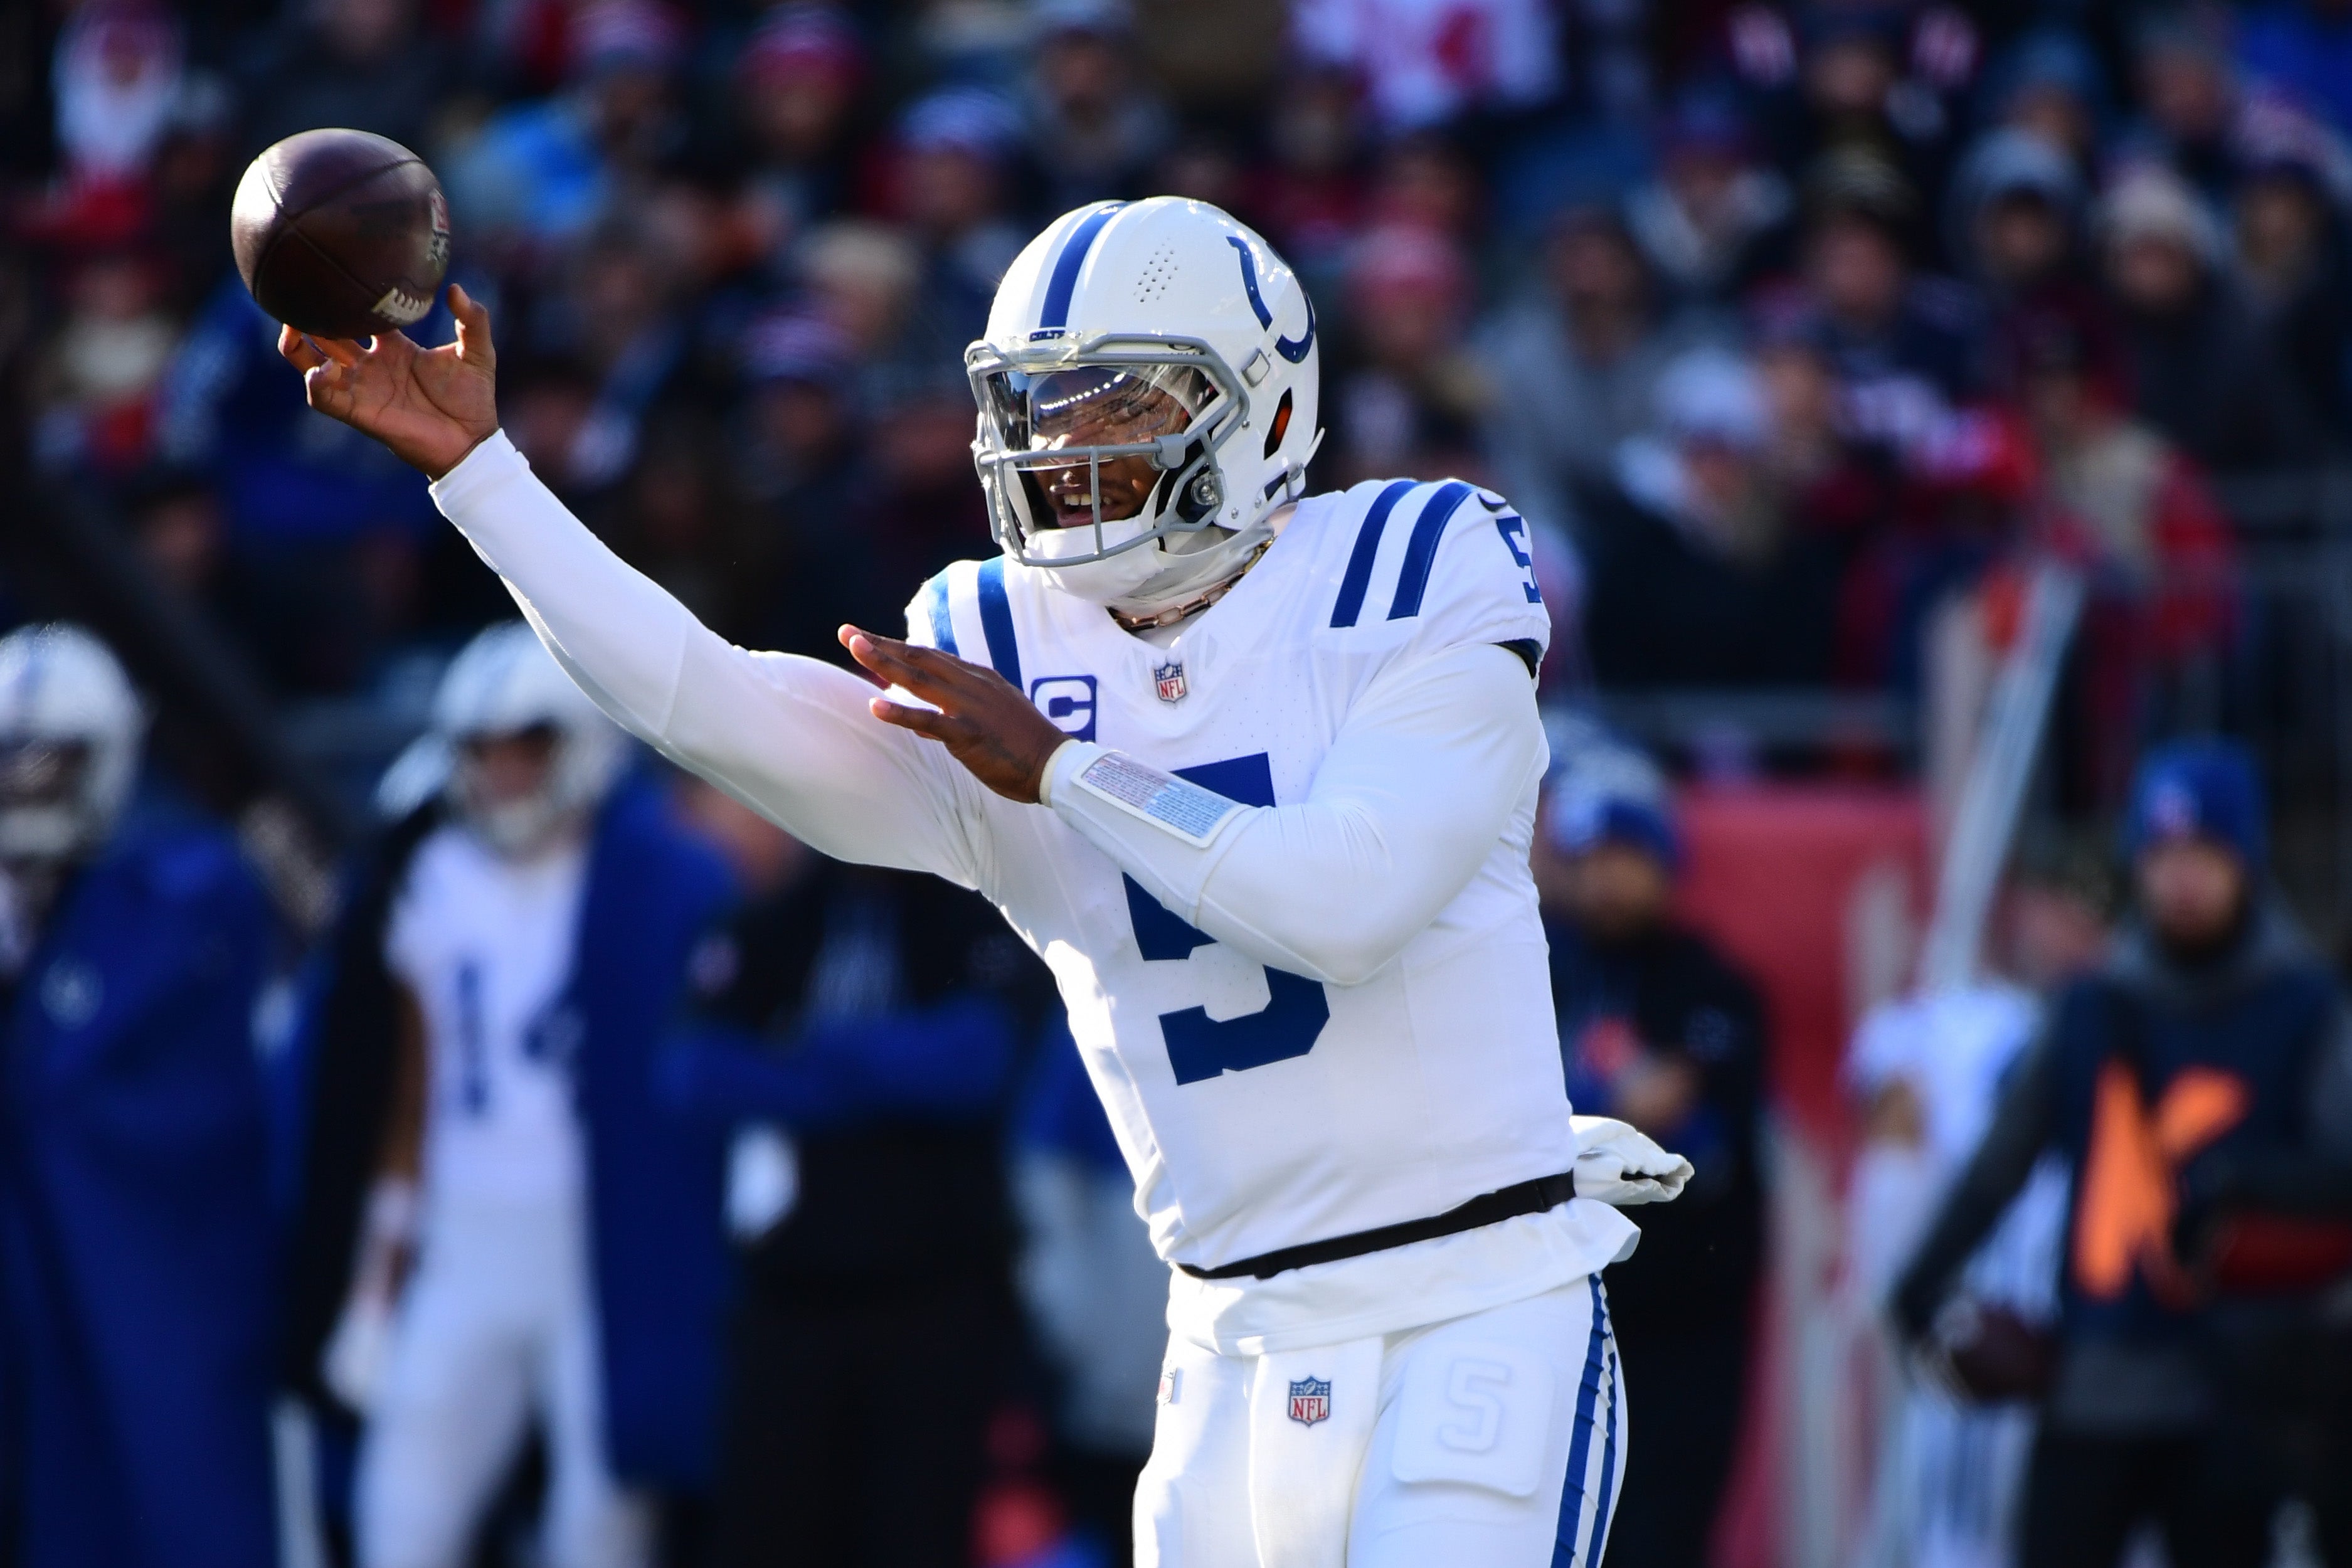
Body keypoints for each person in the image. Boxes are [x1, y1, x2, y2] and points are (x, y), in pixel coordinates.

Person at [279, 194, 1690, 1567]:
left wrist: (1067, 772)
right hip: (1226, 1342)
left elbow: (1349, 897)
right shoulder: (1008, 639)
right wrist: (484, 480)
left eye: (1124, 405)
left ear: (1262, 412)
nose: (1070, 449)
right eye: (1044, 407)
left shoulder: (1410, 569)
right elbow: (702, 697)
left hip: (1470, 1301)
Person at [283, 623, 734, 1568]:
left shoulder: (646, 878)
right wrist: (373, 1291)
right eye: (483, 754)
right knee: (400, 1520)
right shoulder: (431, 877)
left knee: (601, 1527)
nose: (505, 777)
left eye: (527, 749)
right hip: (465, 1238)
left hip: (595, 1244)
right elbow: (408, 1100)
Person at [1892, 740, 2352, 1568]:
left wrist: (2248, 1189)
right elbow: (2002, 1161)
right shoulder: (2090, 1007)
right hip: (2093, 1377)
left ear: (2243, 860)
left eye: (2203, 853)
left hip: (2237, 1390)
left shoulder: (2305, 1008)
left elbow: (2340, 1170)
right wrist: (1922, 1282)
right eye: (2163, 853)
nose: (2180, 878)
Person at [654, 783, 1053, 1568]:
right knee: (771, 1535)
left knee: (917, 1538)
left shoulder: (973, 915)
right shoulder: (778, 915)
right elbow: (692, 1072)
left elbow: (975, 1064)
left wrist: (813, 1051)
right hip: (789, 1307)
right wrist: (884, 1073)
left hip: (937, 1302)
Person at [0, 623, 278, 1568]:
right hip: (37, 1265)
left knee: (172, 1490)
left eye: (53, 762)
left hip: (155, 1266)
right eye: (12, 762)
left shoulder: (186, 885)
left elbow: (63, 1081)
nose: (28, 787)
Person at [1537, 764, 1767, 1568]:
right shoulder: (1537, 971)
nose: (1606, 879)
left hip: (1686, 1320)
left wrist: (1598, 1082)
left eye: (1626, 855)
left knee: (1663, 1535)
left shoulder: (1710, 983)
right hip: (1565, 1310)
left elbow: (1671, 1110)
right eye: (1590, 857)